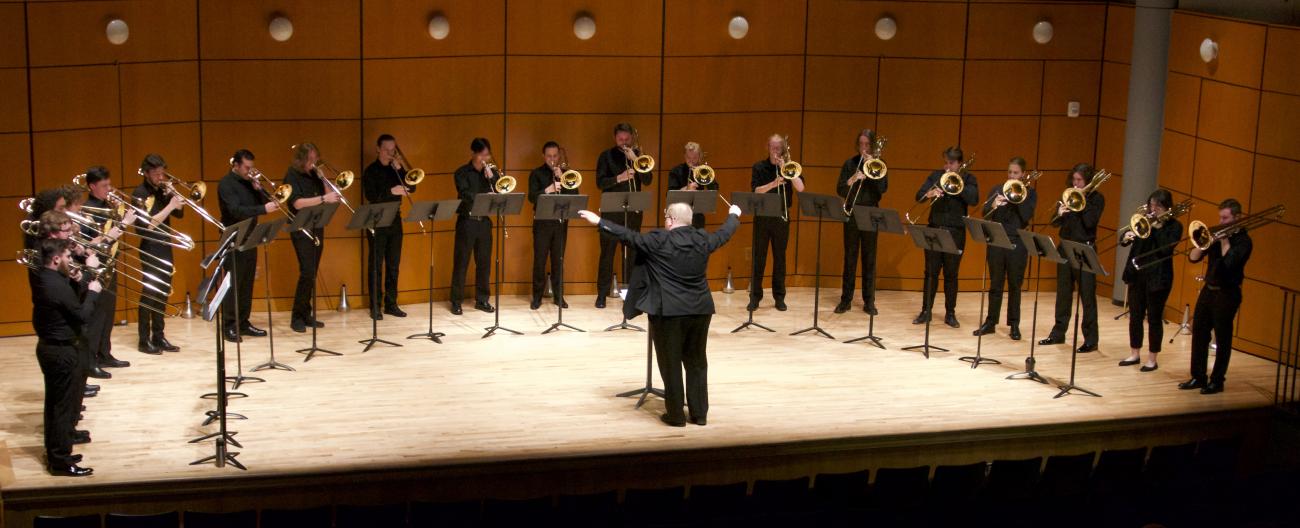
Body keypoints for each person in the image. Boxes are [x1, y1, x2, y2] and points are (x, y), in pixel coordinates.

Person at [578, 202, 741, 427]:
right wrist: (734, 215)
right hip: (700, 309)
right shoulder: (703, 239)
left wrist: (599, 221)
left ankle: (675, 415)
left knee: (670, 363)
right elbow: (725, 233)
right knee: (697, 362)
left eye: (666, 216)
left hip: (669, 312)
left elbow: (628, 236)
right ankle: (699, 414)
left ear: (671, 220)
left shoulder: (659, 241)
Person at [31, 238, 102, 476]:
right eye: (68, 257)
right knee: (63, 408)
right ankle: (60, 462)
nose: (71, 261)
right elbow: (82, 315)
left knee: (54, 406)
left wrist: (78, 282)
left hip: (51, 349)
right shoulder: (56, 286)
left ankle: (56, 453)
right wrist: (92, 293)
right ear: (56, 259)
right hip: (61, 352)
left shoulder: (46, 278)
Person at [1179, 198, 1252, 395]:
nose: (1221, 221)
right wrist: (1202, 242)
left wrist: (1224, 240)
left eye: (1225, 218)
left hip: (1228, 293)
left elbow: (1227, 264)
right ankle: (1198, 376)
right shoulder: (1216, 237)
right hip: (1208, 290)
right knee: (1199, 334)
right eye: (1220, 217)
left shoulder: (1244, 241)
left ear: (1237, 218)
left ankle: (1217, 380)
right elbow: (1193, 258)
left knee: (1222, 338)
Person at [1039, 163, 1105, 353]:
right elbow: (1054, 223)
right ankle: (1058, 333)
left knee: (1087, 296)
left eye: (1080, 180)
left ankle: (1091, 340)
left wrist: (1080, 202)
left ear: (1088, 182)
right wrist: (1059, 213)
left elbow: (1089, 222)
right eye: (1074, 180)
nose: (1075, 184)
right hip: (1065, 247)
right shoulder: (1067, 195)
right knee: (1063, 293)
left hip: (1084, 249)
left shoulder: (1097, 199)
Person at [912, 147, 978, 328]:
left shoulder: (968, 179)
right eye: (946, 162)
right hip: (934, 229)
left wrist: (958, 185)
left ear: (959, 164)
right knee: (930, 273)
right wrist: (930, 193)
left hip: (955, 231)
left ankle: (950, 313)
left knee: (951, 274)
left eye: (951, 163)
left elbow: (974, 199)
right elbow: (919, 196)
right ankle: (926, 311)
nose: (947, 166)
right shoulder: (936, 176)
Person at [973, 157, 1037, 339]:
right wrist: (993, 205)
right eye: (1010, 172)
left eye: (1016, 173)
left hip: (1017, 242)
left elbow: (1026, 217)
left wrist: (1016, 199)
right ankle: (991, 322)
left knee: (1015, 285)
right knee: (995, 284)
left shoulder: (1030, 194)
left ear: (1023, 174)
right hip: (997, 240)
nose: (1011, 176)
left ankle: (1014, 325)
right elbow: (985, 213)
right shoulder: (997, 189)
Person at [217, 149, 278, 342]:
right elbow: (235, 211)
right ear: (235, 165)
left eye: (252, 167)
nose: (250, 171)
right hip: (233, 237)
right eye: (247, 167)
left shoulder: (249, 183)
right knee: (233, 282)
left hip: (251, 236)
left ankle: (243, 322)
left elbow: (267, 202)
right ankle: (229, 326)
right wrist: (263, 209)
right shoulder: (226, 185)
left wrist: (259, 189)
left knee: (247, 282)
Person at [1118, 189, 1181, 372]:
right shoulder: (1143, 221)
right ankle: (1135, 353)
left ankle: (1152, 359)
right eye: (1151, 205)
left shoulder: (1174, 226)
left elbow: (1165, 250)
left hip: (1159, 278)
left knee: (1154, 318)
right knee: (1135, 316)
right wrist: (1126, 236)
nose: (1153, 210)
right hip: (1138, 275)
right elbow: (1124, 241)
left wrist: (1157, 227)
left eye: (1158, 206)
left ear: (1166, 207)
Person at [594, 122, 654, 309]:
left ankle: (632, 295)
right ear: (615, 138)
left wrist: (635, 158)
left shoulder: (639, 157)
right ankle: (602, 295)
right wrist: (619, 178)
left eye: (627, 139)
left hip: (633, 213)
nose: (624, 142)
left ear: (632, 138)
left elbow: (648, 179)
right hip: (611, 214)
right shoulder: (606, 156)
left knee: (633, 255)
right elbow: (600, 182)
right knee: (607, 255)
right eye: (621, 139)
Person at [78, 167, 132, 373]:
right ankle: (91, 361)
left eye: (109, 184)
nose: (109, 189)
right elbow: (88, 242)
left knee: (108, 313)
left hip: (110, 262)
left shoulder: (107, 205)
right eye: (104, 186)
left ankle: (104, 353)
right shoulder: (87, 210)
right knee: (96, 316)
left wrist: (121, 214)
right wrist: (122, 225)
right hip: (95, 266)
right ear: (92, 187)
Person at [284, 143, 341, 332]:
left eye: (315, 158)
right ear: (301, 159)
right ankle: (296, 317)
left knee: (312, 273)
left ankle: (306, 313)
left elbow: (329, 195)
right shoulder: (292, 175)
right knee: (307, 271)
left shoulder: (315, 175)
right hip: (301, 227)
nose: (313, 162)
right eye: (310, 159)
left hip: (317, 226)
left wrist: (324, 180)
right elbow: (298, 203)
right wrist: (324, 199)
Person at [132, 154, 184, 353]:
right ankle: (144, 340)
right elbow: (144, 227)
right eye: (155, 174)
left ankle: (159, 336)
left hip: (165, 245)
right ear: (146, 173)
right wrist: (170, 206)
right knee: (150, 292)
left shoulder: (163, 190)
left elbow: (179, 213)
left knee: (163, 292)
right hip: (150, 247)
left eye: (162, 173)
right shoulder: (139, 194)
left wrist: (173, 194)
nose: (160, 177)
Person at [748, 134, 806, 312]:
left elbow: (801, 188)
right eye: (772, 148)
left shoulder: (789, 167)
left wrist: (786, 169)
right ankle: (755, 297)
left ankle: (779, 297)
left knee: (780, 258)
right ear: (767, 147)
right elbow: (756, 191)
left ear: (783, 150)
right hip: (762, 217)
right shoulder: (759, 167)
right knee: (759, 258)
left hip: (782, 216)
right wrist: (773, 184)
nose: (775, 152)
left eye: (778, 148)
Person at [835, 129, 888, 315]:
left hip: (871, 213)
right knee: (850, 258)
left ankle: (869, 302)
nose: (864, 148)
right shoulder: (849, 163)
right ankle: (845, 300)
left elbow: (882, 189)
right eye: (861, 144)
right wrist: (853, 179)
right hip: (851, 213)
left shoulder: (878, 165)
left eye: (867, 145)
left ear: (872, 146)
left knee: (869, 259)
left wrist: (870, 174)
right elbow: (840, 189)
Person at [362, 134, 413, 319]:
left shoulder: (396, 170)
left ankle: (391, 304)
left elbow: (412, 187)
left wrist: (401, 169)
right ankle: (375, 305)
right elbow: (371, 195)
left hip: (395, 220)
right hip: (376, 220)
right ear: (378, 149)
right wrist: (391, 191)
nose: (391, 153)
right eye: (387, 150)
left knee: (393, 264)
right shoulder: (370, 171)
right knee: (375, 265)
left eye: (393, 150)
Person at [527, 141, 578, 310]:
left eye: (555, 156)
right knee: (539, 261)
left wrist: (562, 179)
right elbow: (532, 197)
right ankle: (537, 297)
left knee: (559, 260)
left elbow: (575, 195)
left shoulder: (566, 174)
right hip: (542, 223)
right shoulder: (536, 173)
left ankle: (558, 296)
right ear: (544, 156)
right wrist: (548, 190)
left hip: (561, 223)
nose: (552, 159)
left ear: (559, 156)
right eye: (549, 156)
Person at [450, 137, 498, 315]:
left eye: (488, 154)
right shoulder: (461, 173)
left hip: (484, 222)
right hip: (467, 221)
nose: (486, 159)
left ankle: (482, 300)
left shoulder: (492, 173)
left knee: (484, 263)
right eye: (482, 155)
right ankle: (456, 301)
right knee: (461, 262)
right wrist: (484, 192)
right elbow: (465, 195)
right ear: (474, 154)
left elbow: (500, 193)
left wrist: (491, 180)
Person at [666, 141, 718, 229]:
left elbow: (714, 189)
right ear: (684, 156)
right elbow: (669, 194)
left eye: (694, 158)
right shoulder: (676, 171)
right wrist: (687, 188)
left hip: (697, 217)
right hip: (679, 217)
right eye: (688, 158)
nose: (691, 161)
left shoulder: (703, 171)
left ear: (699, 157)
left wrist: (708, 176)